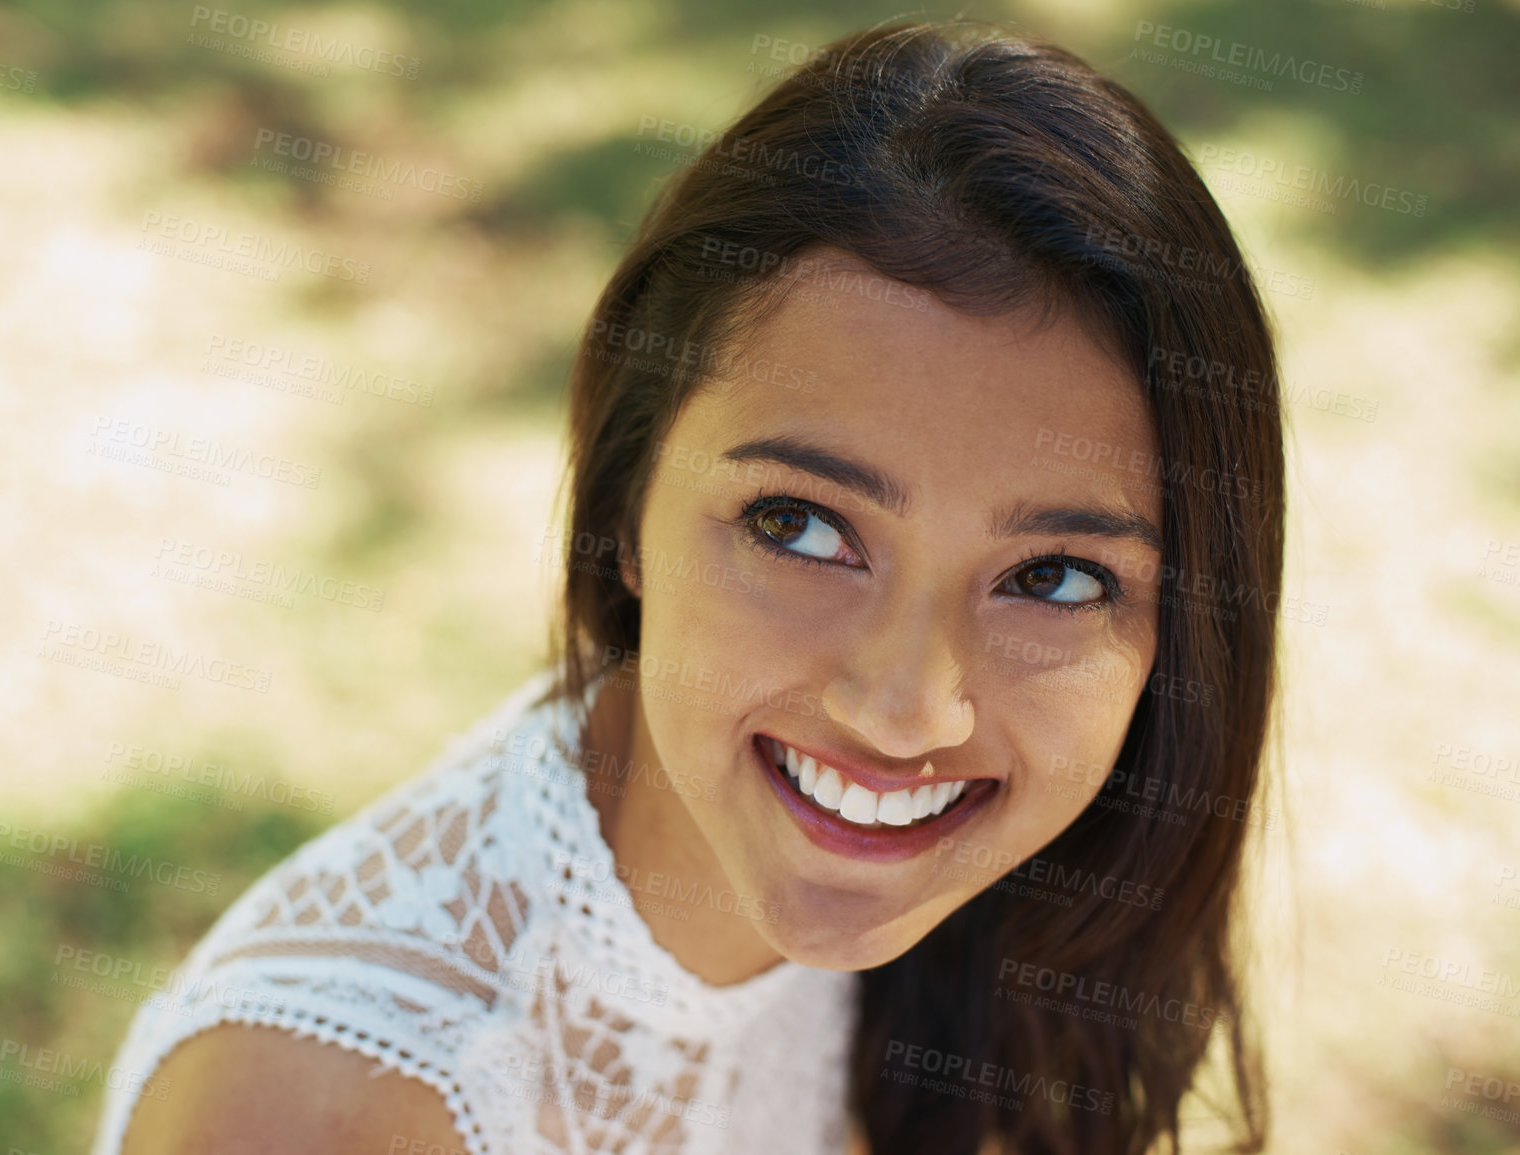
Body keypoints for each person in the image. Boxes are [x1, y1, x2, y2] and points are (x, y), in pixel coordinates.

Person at [97, 20, 1281, 1155]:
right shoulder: (326, 1107)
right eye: (800, 526)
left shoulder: (1035, 928)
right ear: (625, 511)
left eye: (1055, 578)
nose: (906, 709)